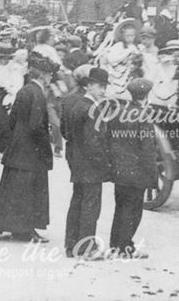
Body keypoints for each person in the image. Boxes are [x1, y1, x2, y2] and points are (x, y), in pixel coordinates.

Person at [0, 54, 58, 242]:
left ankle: (14, 227)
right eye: (49, 75)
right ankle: (25, 230)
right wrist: (46, 146)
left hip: (18, 149)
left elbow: (12, 121)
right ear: (43, 75)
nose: (51, 78)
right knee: (28, 192)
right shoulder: (37, 94)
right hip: (31, 153)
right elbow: (36, 127)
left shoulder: (24, 90)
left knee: (14, 190)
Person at [63, 67, 112, 260]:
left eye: (105, 87)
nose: (103, 91)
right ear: (89, 85)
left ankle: (71, 244)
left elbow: (68, 135)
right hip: (91, 166)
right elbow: (94, 143)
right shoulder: (92, 109)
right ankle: (87, 247)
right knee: (91, 206)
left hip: (78, 163)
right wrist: (106, 164)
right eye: (100, 86)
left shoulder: (77, 105)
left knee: (77, 202)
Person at [107, 78, 157, 259]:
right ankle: (125, 247)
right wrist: (152, 174)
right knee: (133, 210)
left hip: (120, 170)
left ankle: (116, 245)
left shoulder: (119, 111)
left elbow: (110, 139)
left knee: (120, 207)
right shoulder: (144, 116)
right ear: (147, 95)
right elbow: (147, 149)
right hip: (136, 172)